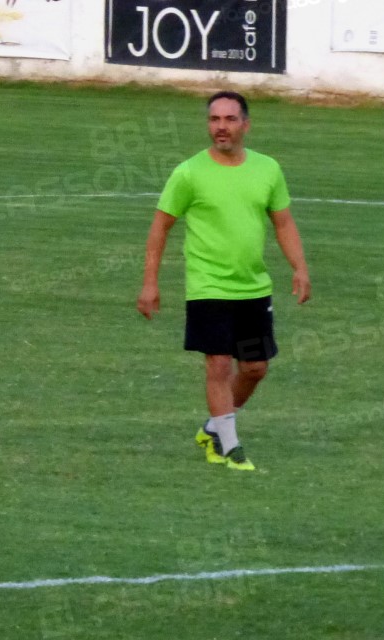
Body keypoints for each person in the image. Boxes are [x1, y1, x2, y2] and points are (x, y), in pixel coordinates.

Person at [136, 91, 311, 471]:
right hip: (208, 287)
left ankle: (213, 428)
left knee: (254, 368)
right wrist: (150, 283)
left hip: (253, 287)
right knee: (217, 364)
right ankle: (229, 447)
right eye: (214, 119)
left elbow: (283, 222)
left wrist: (299, 267)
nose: (221, 127)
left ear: (246, 125)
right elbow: (160, 228)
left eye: (230, 119)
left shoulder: (267, 169)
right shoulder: (189, 173)